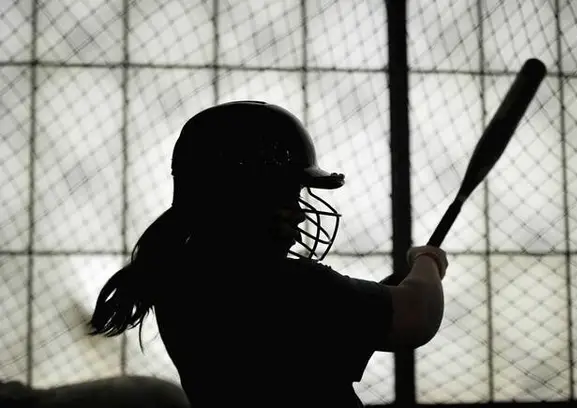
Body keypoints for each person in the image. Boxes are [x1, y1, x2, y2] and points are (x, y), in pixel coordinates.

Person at [88, 100, 448, 407]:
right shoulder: (291, 285)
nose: (301, 212)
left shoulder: (181, 278)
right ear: (243, 197)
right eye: (288, 195)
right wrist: (426, 262)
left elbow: (324, 324)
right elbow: (417, 314)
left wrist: (387, 291)